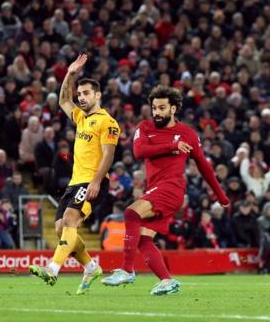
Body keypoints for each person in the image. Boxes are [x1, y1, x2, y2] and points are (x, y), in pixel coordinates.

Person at [101, 85, 230, 295]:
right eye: (154, 108)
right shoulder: (144, 127)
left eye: (162, 108)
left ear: (174, 109)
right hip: (155, 188)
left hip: (172, 188)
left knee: (131, 213)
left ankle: (126, 270)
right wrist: (172, 145)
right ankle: (167, 281)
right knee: (143, 239)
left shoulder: (188, 134)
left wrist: (221, 196)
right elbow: (139, 151)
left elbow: (204, 167)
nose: (157, 112)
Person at [29, 54, 119, 295]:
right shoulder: (80, 118)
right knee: (61, 229)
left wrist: (97, 181)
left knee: (69, 219)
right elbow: (62, 101)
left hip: (92, 182)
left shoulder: (107, 123)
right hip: (74, 183)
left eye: (86, 93)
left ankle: (52, 269)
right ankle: (90, 267)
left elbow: (108, 155)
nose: (81, 97)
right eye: (80, 94)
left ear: (98, 95)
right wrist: (69, 74)